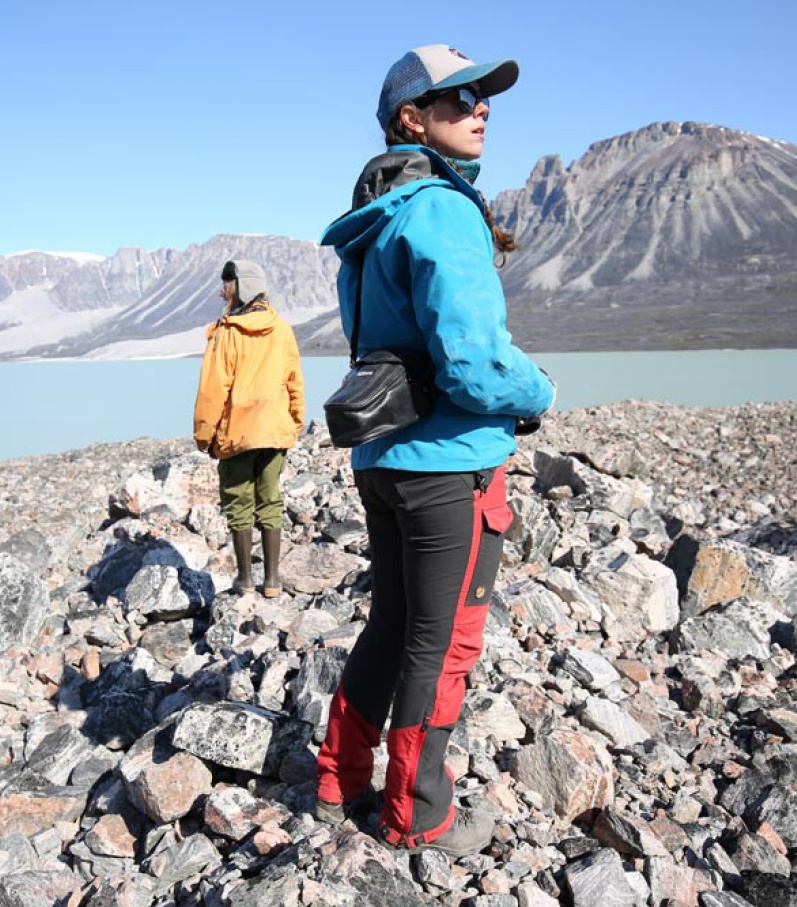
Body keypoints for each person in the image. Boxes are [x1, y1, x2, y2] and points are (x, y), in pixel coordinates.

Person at [314, 45, 556, 856]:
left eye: (484, 97)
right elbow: (475, 364)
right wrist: (540, 391)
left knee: (391, 625)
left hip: (383, 461)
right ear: (412, 119)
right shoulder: (445, 211)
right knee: (442, 641)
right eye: (460, 97)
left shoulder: (374, 219)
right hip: (450, 464)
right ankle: (418, 813)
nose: (481, 108)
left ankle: (338, 778)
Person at [193, 260, 306, 597]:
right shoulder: (282, 329)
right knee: (270, 498)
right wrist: (295, 422)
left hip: (238, 431)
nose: (222, 291)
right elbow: (294, 381)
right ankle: (272, 581)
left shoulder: (226, 332)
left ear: (241, 287)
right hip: (275, 429)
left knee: (238, 501)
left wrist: (204, 434)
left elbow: (213, 388)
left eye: (227, 284)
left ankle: (244, 580)